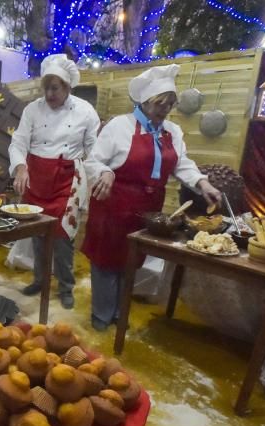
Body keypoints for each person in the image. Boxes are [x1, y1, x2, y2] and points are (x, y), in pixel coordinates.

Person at [82, 64, 222, 331]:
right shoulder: (119, 127)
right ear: (145, 101)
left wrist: (202, 182)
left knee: (131, 262)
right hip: (113, 203)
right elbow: (94, 161)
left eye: (170, 104)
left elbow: (181, 164)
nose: (165, 109)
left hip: (148, 209)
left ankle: (118, 315)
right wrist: (106, 173)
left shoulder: (173, 131)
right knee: (106, 262)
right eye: (160, 103)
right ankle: (101, 319)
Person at [8, 54, 100, 309]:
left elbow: (94, 149)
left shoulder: (85, 111)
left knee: (62, 238)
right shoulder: (32, 110)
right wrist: (20, 167)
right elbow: (19, 142)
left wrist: (97, 177)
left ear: (68, 86)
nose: (49, 94)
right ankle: (40, 279)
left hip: (66, 182)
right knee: (37, 234)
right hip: (36, 177)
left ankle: (66, 286)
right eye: (46, 88)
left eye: (55, 88)